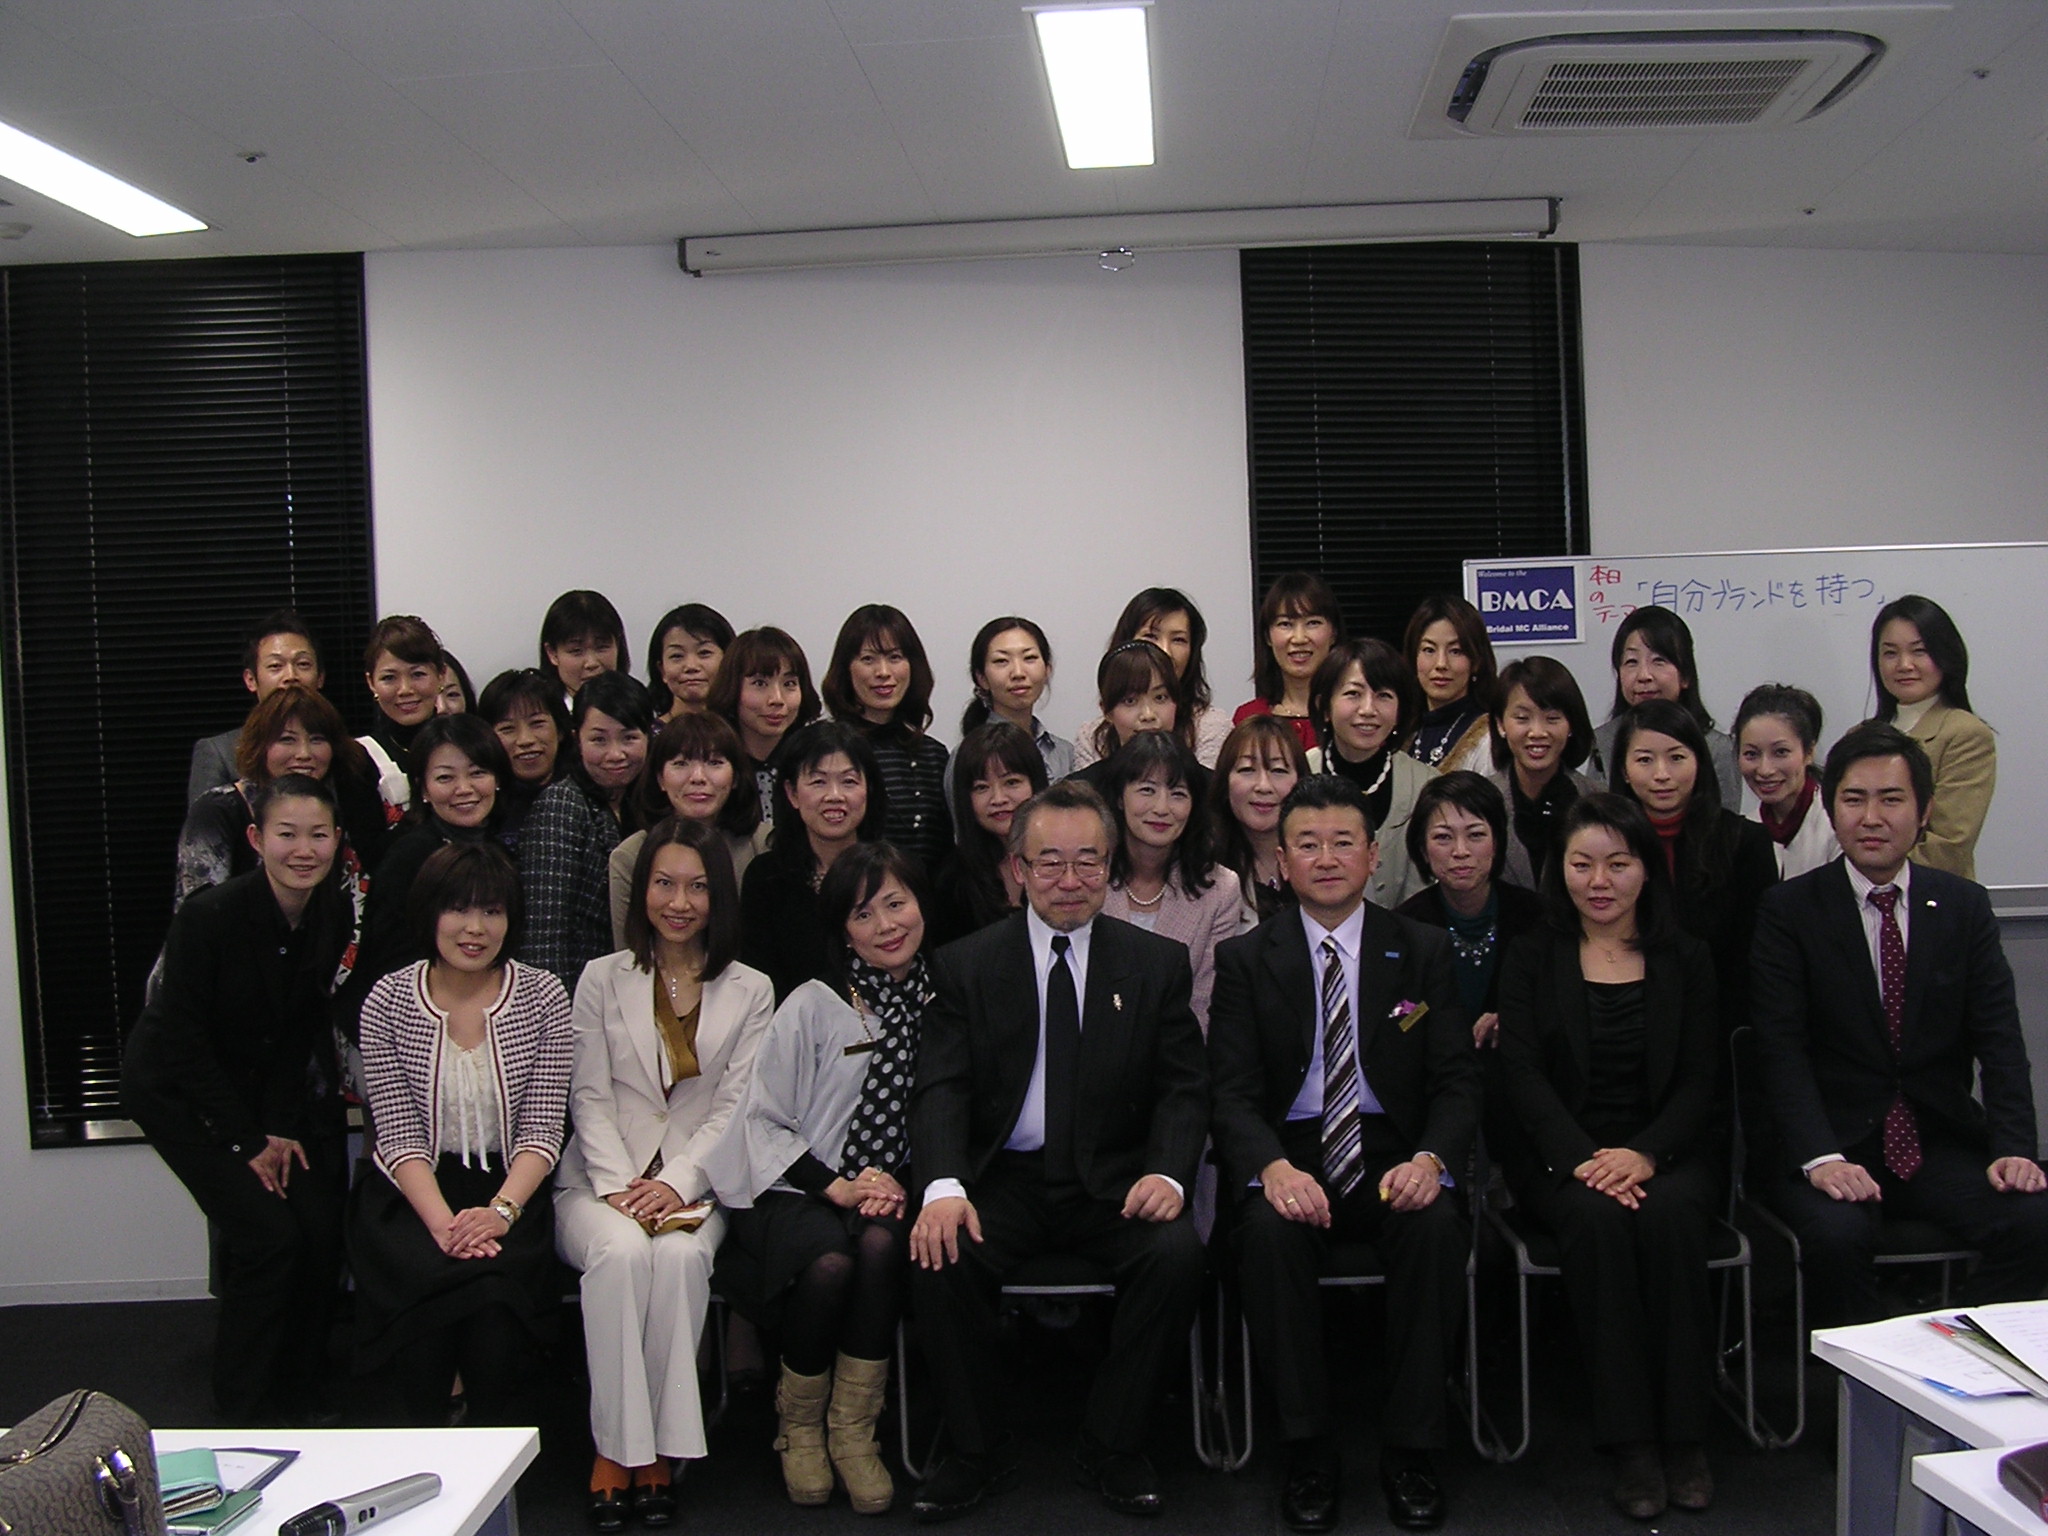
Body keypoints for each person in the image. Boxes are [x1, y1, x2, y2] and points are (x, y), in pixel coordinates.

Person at [907, 780, 1209, 1521]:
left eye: (1087, 861)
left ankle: (1113, 1442)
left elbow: (1183, 1087)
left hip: (1113, 1181)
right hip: (1004, 1180)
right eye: (1050, 862)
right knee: (938, 1251)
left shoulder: (1156, 963)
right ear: (1018, 869)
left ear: (1110, 866)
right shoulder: (966, 965)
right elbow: (941, 1087)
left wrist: (1169, 1173)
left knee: (1175, 1254)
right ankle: (975, 1448)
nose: (1069, 880)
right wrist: (943, 1185)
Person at [1209, 774, 1475, 1534]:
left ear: (1372, 854)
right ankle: (1308, 1450)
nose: (1325, 859)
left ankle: (1412, 1449)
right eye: (1307, 845)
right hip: (1293, 1150)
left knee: (1435, 1227)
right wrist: (1270, 1167)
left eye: (1342, 842)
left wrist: (1431, 1160)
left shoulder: (1420, 949)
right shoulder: (1246, 958)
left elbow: (1456, 1080)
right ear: (1282, 861)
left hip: (1395, 1149)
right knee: (1266, 1234)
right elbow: (1230, 1092)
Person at [1753, 722, 2048, 1326]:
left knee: (2034, 1218)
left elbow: (2000, 1041)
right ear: (1831, 808)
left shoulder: (1963, 907)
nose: (1872, 818)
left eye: (1891, 799)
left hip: (1935, 1141)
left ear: (1924, 811)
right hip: (1833, 1143)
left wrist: (2016, 1148)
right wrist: (1820, 1157)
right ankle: (1860, 1380)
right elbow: (1780, 1049)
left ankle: (1953, 1348)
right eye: (1854, 799)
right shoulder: (1789, 910)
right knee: (1837, 1237)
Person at [1496, 793, 1724, 1520]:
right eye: (1582, 864)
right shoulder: (1532, 955)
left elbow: (1701, 1079)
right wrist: (1583, 1157)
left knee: (1672, 1221)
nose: (1599, 881)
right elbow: (1520, 1074)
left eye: (1618, 864)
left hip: (1666, 1150)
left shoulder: (1687, 957)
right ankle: (1630, 1444)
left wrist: (1647, 1154)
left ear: (1646, 869)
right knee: (1596, 1224)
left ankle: (1685, 1437)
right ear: (1559, 869)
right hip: (1565, 1154)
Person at [554, 817, 776, 1531]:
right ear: (641, 889)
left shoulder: (752, 988)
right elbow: (588, 1094)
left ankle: (657, 1451)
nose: (679, 902)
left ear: (719, 897)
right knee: (621, 1253)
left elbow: (736, 1109)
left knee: (679, 1259)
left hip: (696, 1183)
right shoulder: (601, 977)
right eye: (664, 884)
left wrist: (677, 1183)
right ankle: (616, 1451)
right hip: (601, 1179)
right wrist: (621, 1187)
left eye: (697, 887)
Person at [704, 842, 932, 1515]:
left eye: (896, 904)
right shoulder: (813, 1002)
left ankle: (854, 1431)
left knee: (881, 1244)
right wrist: (835, 1184)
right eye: (863, 914)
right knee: (830, 1261)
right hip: (794, 1184)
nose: (886, 925)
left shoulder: (943, 998)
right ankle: (799, 1427)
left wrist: (895, 1180)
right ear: (842, 930)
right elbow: (761, 1120)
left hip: (888, 1184)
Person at [123, 775, 354, 1423]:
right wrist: (246, 1141)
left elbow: (297, 1026)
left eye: (318, 835)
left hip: (250, 1089)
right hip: (172, 1089)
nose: (303, 850)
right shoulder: (209, 917)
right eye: (287, 834)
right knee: (266, 1236)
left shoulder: (331, 911)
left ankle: (300, 1391)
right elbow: (182, 1041)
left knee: (316, 1227)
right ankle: (244, 1405)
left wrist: (276, 1126)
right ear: (256, 838)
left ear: (338, 840)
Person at [350, 842, 572, 1427]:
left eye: (492, 911)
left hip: (511, 1188)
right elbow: (396, 1133)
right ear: (429, 913)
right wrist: (443, 1226)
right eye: (458, 909)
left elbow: (543, 1127)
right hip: (413, 1194)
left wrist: (500, 1213)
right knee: (424, 1310)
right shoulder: (387, 1000)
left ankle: (492, 1447)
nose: (475, 928)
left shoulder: (545, 996)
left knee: (494, 1312)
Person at [339, 714, 514, 1039]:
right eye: (446, 778)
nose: (464, 789)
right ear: (422, 789)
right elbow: (390, 963)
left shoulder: (502, 852)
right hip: (407, 1028)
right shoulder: (410, 856)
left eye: (478, 773)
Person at [1609, 700, 1777, 1037]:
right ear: (1624, 770)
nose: (1662, 774)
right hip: (1625, 1021)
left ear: (1699, 761)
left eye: (1676, 757)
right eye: (1644, 760)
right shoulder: (1604, 843)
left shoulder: (1746, 842)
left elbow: (1758, 959)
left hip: (1719, 1024)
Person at [174, 684, 386, 909]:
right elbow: (199, 910)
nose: (304, 754)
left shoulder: (338, 804)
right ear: (260, 745)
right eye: (287, 740)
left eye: (317, 739)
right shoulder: (218, 809)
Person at [1100, 730, 1251, 1032]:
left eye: (1178, 793)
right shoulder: (1089, 876)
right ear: (1119, 797)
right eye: (1147, 789)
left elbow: (1205, 1003)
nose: (1162, 808)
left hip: (1181, 1050)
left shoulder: (1220, 888)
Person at [519, 671, 652, 991]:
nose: (615, 754)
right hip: (580, 990)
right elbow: (544, 934)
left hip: (638, 984)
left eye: (629, 738)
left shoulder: (650, 803)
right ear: (576, 738)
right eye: (599, 740)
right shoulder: (561, 803)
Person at [1395, 772, 1545, 1052]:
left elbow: (1554, 1005)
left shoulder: (1536, 917)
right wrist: (1429, 1011)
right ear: (1423, 849)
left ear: (1497, 842)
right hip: (1435, 1067)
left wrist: (1512, 1019)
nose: (1460, 851)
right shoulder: (1404, 926)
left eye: (1476, 835)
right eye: (1443, 837)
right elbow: (1398, 1017)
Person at [740, 721, 888, 1003]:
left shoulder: (895, 872)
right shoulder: (766, 878)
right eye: (818, 782)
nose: (834, 796)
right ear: (792, 793)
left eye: (849, 781)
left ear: (869, 789)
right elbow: (759, 984)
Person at [609, 711, 764, 947]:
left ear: (735, 777)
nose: (697, 777)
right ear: (660, 779)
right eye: (681, 764)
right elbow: (629, 952)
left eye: (714, 763)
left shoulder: (764, 844)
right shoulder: (630, 855)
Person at [1870, 594, 1996, 880]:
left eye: (1920, 651)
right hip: (1856, 897)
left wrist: (1867, 872)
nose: (1904, 665)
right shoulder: (1860, 736)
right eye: (1890, 653)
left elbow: (1948, 846)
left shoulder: (1965, 733)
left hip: (1931, 895)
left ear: (1945, 656)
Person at [1305, 638, 1435, 910]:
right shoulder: (1299, 773)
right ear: (1324, 706)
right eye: (1353, 694)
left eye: (1383, 696)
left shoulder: (1426, 785)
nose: (1368, 710)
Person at [822, 604, 952, 870]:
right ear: (846, 669)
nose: (883, 672)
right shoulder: (829, 750)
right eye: (868, 659)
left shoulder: (935, 755)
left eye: (894, 657)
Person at [1587, 607, 1739, 810]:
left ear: (1685, 675)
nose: (1644, 675)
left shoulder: (1717, 748)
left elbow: (1726, 822)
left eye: (1659, 660)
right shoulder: (1604, 742)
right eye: (1631, 662)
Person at [1073, 589, 1232, 768]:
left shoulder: (1211, 726)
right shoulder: (1092, 736)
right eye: (1151, 636)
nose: (1165, 651)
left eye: (1178, 640)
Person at [1484, 656, 1601, 890]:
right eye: (1522, 718)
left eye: (1552, 718)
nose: (1537, 732)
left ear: (1571, 725)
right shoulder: (1481, 801)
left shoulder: (1598, 800)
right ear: (1500, 724)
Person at [187, 608, 325, 803]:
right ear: (251, 680)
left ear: (320, 678)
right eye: (275, 666)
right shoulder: (220, 753)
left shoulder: (341, 749)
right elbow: (204, 821)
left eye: (303, 664)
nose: (291, 676)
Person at [934, 721, 1048, 941]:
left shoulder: (1065, 862)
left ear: (1036, 784)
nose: (998, 799)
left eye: (1011, 782)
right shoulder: (952, 879)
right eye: (981, 787)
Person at [708, 626, 824, 826]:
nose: (777, 699)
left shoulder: (814, 758)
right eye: (760, 683)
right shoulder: (712, 762)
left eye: (789, 684)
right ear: (732, 687)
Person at [1734, 683, 1840, 878]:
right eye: (1751, 754)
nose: (1765, 770)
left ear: (1809, 752)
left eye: (1781, 752)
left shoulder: (1835, 826)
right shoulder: (1743, 831)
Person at [1210, 716, 1310, 923]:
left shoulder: (1325, 858)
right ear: (1225, 782)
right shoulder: (1203, 866)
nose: (1263, 786)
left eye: (1278, 770)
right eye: (1247, 770)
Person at [1233, 572, 1344, 755]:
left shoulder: (1352, 714)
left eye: (1313, 623)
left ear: (1333, 633)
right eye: (1285, 624)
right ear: (1267, 636)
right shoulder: (1248, 717)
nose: (1299, 638)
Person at [954, 615, 1073, 785]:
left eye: (1029, 658)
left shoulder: (1064, 752)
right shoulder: (966, 754)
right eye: (1001, 661)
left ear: (1047, 670)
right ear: (982, 678)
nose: (1018, 673)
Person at [1072, 640, 1203, 794]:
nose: (1148, 715)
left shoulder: (1208, 788)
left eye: (1160, 697)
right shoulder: (1081, 793)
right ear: (1107, 711)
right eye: (1130, 701)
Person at [359, 614, 448, 820]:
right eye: (389, 678)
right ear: (371, 683)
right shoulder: (359, 759)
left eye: (417, 674)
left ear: (441, 675)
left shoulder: (468, 744)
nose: (405, 690)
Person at [476, 667, 572, 851]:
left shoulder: (587, 796)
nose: (525, 740)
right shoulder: (481, 804)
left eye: (537, 723)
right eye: (507, 729)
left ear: (560, 730)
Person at [1400, 595, 1497, 775]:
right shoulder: (1403, 731)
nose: (1441, 664)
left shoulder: (1488, 738)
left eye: (1455, 651)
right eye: (1429, 650)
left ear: (1476, 661)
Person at [647, 602, 734, 723]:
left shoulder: (746, 732)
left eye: (704, 653)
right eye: (677, 656)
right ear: (662, 670)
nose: (691, 666)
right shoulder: (645, 734)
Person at [540, 589, 631, 703]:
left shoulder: (640, 706)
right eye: (576, 650)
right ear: (552, 653)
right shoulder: (541, 710)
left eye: (602, 647)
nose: (591, 663)